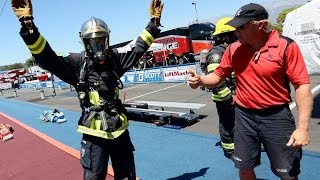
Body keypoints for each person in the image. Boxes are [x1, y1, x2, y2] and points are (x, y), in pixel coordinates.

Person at [11, 0, 164, 179]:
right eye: (93, 42)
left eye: (101, 40)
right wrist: (29, 27)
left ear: (107, 39)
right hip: (93, 135)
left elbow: (138, 46)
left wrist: (153, 24)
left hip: (120, 131)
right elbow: (47, 57)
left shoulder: (115, 57)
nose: (97, 45)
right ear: (85, 43)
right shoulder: (77, 63)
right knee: (94, 176)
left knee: (127, 176)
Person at [188, 3, 312, 180]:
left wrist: (303, 128)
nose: (236, 31)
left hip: (276, 118)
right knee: (244, 168)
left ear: (261, 25)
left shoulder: (286, 46)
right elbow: (218, 76)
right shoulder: (233, 49)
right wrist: (201, 80)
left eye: (242, 27)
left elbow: (302, 86)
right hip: (244, 116)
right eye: (236, 27)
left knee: (287, 173)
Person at [203, 17, 238, 160]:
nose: (237, 35)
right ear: (226, 35)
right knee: (227, 124)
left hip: (235, 95)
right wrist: (229, 99)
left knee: (238, 123)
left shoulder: (230, 50)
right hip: (224, 98)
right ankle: (230, 150)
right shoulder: (217, 54)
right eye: (234, 33)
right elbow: (217, 81)